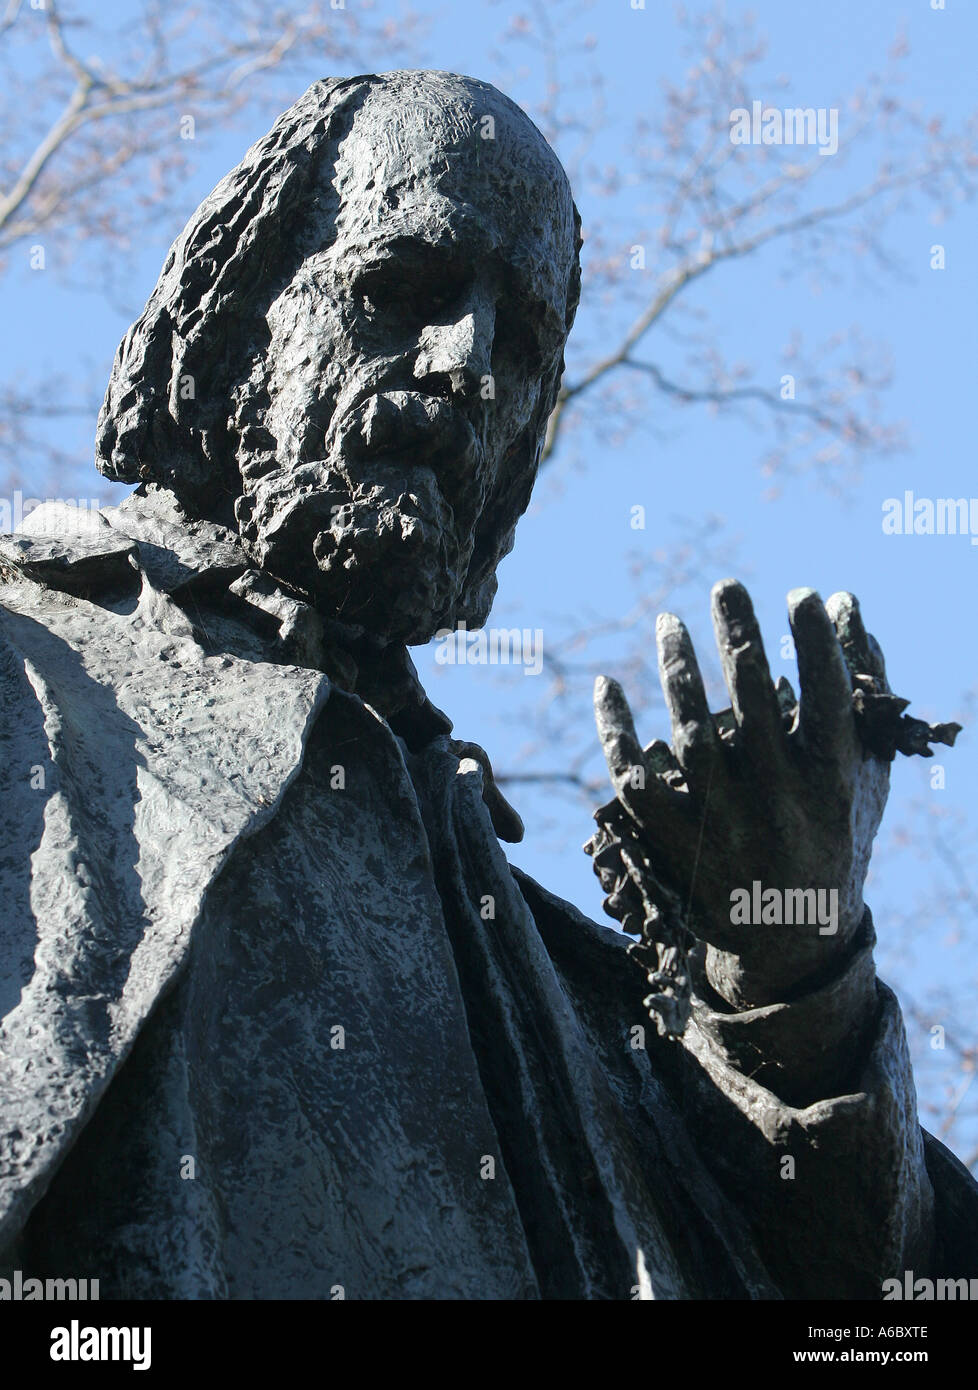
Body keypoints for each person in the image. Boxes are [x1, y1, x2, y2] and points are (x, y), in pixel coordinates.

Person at [0, 69, 974, 1300]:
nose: (466, 366)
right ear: (239, 321)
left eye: (520, 345)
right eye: (397, 289)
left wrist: (790, 974)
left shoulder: (569, 993)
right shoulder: (33, 686)